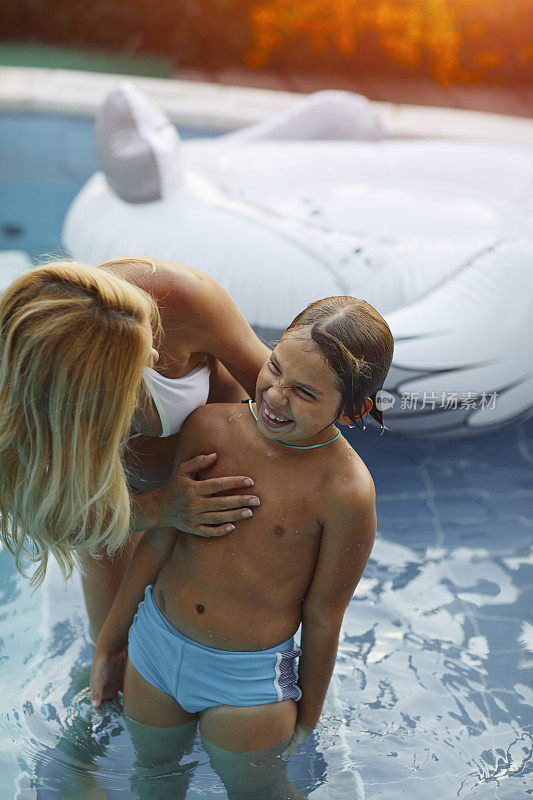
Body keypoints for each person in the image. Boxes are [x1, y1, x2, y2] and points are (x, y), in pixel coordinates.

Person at [90, 296, 394, 798]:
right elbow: (161, 539)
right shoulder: (210, 427)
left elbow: (324, 615)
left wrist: (307, 721)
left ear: (354, 409)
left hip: (247, 685)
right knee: (152, 779)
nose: (275, 396)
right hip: (156, 648)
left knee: (260, 792)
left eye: (303, 392)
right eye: (274, 367)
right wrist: (111, 641)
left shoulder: (345, 492)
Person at [0, 256, 267, 639]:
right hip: (110, 498)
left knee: (221, 633)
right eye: (134, 359)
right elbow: (56, 517)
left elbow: (278, 393)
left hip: (217, 477)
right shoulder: (17, 408)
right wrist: (162, 507)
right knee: (110, 645)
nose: (154, 357)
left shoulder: (181, 298)